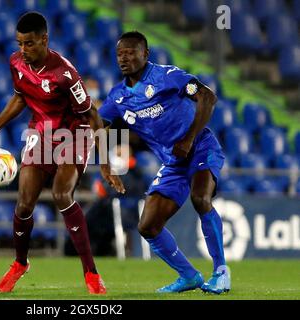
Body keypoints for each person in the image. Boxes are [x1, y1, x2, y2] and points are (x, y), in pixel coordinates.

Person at [0, 12, 125, 295]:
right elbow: (20, 97)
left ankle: (91, 273)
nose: (23, 50)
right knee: (24, 204)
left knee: (61, 195)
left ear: (44, 39)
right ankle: (20, 263)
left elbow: (92, 115)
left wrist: (105, 164)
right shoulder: (16, 62)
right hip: (40, 133)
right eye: (19, 43)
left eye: (29, 44)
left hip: (74, 134)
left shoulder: (65, 73)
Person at [98, 31, 230, 294]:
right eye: (119, 54)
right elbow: (97, 127)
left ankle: (221, 272)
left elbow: (207, 97)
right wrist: (104, 165)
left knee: (201, 198)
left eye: (130, 52)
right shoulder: (118, 97)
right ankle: (189, 276)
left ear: (145, 54)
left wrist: (189, 138)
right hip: (174, 162)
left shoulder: (168, 77)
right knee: (148, 225)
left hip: (200, 147)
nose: (124, 58)